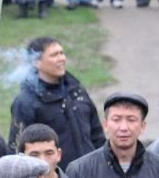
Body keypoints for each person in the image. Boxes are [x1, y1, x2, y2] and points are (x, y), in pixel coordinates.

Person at [9, 37, 104, 168]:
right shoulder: (26, 102)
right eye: (54, 55)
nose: (61, 58)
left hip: (91, 174)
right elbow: (18, 149)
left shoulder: (76, 91)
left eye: (61, 53)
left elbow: (97, 133)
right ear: (36, 62)